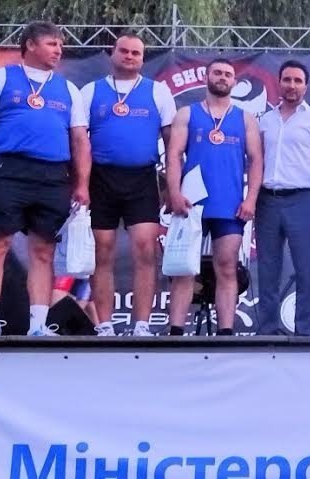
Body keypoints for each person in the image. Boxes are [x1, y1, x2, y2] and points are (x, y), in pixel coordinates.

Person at [0, 20, 91, 337]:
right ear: (30, 44)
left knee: (43, 251)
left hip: (54, 175)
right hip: (10, 170)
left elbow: (80, 140)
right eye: (51, 43)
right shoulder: (2, 78)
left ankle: (39, 325)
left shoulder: (69, 89)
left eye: (60, 45)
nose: (58, 50)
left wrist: (82, 183)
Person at [80, 34, 176, 337]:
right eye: (124, 51)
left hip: (142, 179)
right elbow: (79, 141)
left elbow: (173, 145)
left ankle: (142, 325)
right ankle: (105, 324)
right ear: (112, 54)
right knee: (102, 252)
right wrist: (79, 183)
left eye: (136, 53)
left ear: (143, 59)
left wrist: (173, 187)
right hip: (101, 179)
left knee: (146, 250)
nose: (130, 56)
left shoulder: (158, 92)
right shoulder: (90, 91)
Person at [165, 58, 262, 336]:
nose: (222, 77)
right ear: (207, 77)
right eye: (217, 73)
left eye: (228, 74)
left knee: (227, 268)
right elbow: (173, 155)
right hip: (191, 203)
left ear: (234, 82)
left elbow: (256, 160)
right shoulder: (187, 114)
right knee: (184, 269)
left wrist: (251, 199)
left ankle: (226, 333)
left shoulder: (245, 119)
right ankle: (175, 333)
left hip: (229, 205)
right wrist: (174, 193)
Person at [255, 60, 310, 336]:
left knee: (306, 269)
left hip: (302, 199)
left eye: (297, 81)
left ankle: (305, 334)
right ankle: (266, 331)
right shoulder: (265, 120)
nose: (292, 85)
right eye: (287, 79)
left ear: (306, 86)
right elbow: (255, 159)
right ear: (279, 83)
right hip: (267, 200)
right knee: (267, 269)